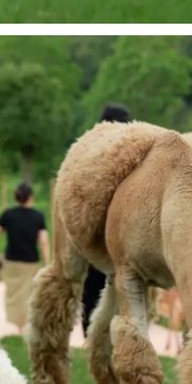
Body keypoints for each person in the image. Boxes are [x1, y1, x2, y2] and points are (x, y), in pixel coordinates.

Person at [81, 102, 133, 335]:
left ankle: (91, 332)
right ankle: (115, 333)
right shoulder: (133, 155)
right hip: (123, 233)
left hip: (97, 232)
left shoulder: (90, 153)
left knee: (94, 282)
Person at [0, 183, 49, 332]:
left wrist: (2, 225)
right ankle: (27, 324)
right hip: (31, 262)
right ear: (31, 197)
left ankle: (19, 326)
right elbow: (44, 241)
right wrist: (47, 262)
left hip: (12, 261)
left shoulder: (8, 214)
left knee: (14, 295)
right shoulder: (38, 216)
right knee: (30, 294)